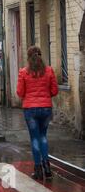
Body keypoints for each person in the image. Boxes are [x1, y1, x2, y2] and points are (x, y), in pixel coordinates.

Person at [16, 46, 58, 180]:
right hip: (46, 108)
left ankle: (38, 168)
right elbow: (54, 91)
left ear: (28, 58)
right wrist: (45, 95)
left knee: (35, 138)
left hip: (30, 109)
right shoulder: (49, 70)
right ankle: (47, 168)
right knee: (43, 137)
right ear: (41, 55)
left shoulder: (23, 72)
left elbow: (20, 92)